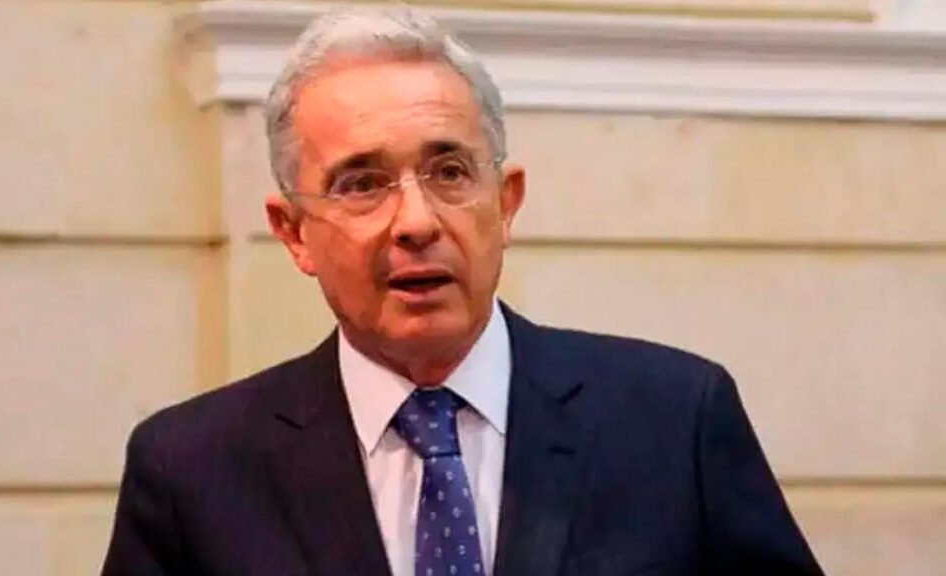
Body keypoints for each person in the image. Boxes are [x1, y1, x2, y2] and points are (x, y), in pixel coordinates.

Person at [101, 6, 824, 576]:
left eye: (449, 173)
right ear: (294, 233)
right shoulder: (191, 469)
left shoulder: (674, 419)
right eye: (362, 184)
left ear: (505, 204)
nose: (416, 222)